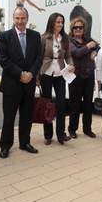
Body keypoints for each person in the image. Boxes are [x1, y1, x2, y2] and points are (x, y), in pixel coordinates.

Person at [0, 7, 42, 158]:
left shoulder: (35, 36)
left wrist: (31, 74)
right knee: (9, 118)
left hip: (29, 84)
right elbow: (3, 60)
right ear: (13, 19)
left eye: (23, 18)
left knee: (26, 116)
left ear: (27, 19)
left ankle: (25, 143)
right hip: (11, 85)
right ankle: (5, 146)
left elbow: (38, 58)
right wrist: (20, 74)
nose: (20, 21)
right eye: (17, 18)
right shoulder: (4, 37)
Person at [39, 13, 75, 145]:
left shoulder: (65, 39)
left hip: (60, 74)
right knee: (47, 105)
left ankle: (61, 135)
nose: (60, 24)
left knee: (61, 104)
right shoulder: (44, 38)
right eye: (58, 22)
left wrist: (71, 64)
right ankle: (48, 135)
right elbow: (39, 58)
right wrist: (37, 76)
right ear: (52, 22)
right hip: (46, 74)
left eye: (62, 22)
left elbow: (69, 56)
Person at [68, 16, 99, 139]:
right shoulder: (69, 41)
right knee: (75, 105)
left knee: (88, 104)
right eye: (75, 27)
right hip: (76, 77)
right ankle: (72, 129)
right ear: (72, 29)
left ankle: (87, 129)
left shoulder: (88, 39)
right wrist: (88, 47)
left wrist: (95, 51)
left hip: (89, 76)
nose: (78, 29)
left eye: (80, 27)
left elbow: (97, 46)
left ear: (83, 29)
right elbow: (76, 53)